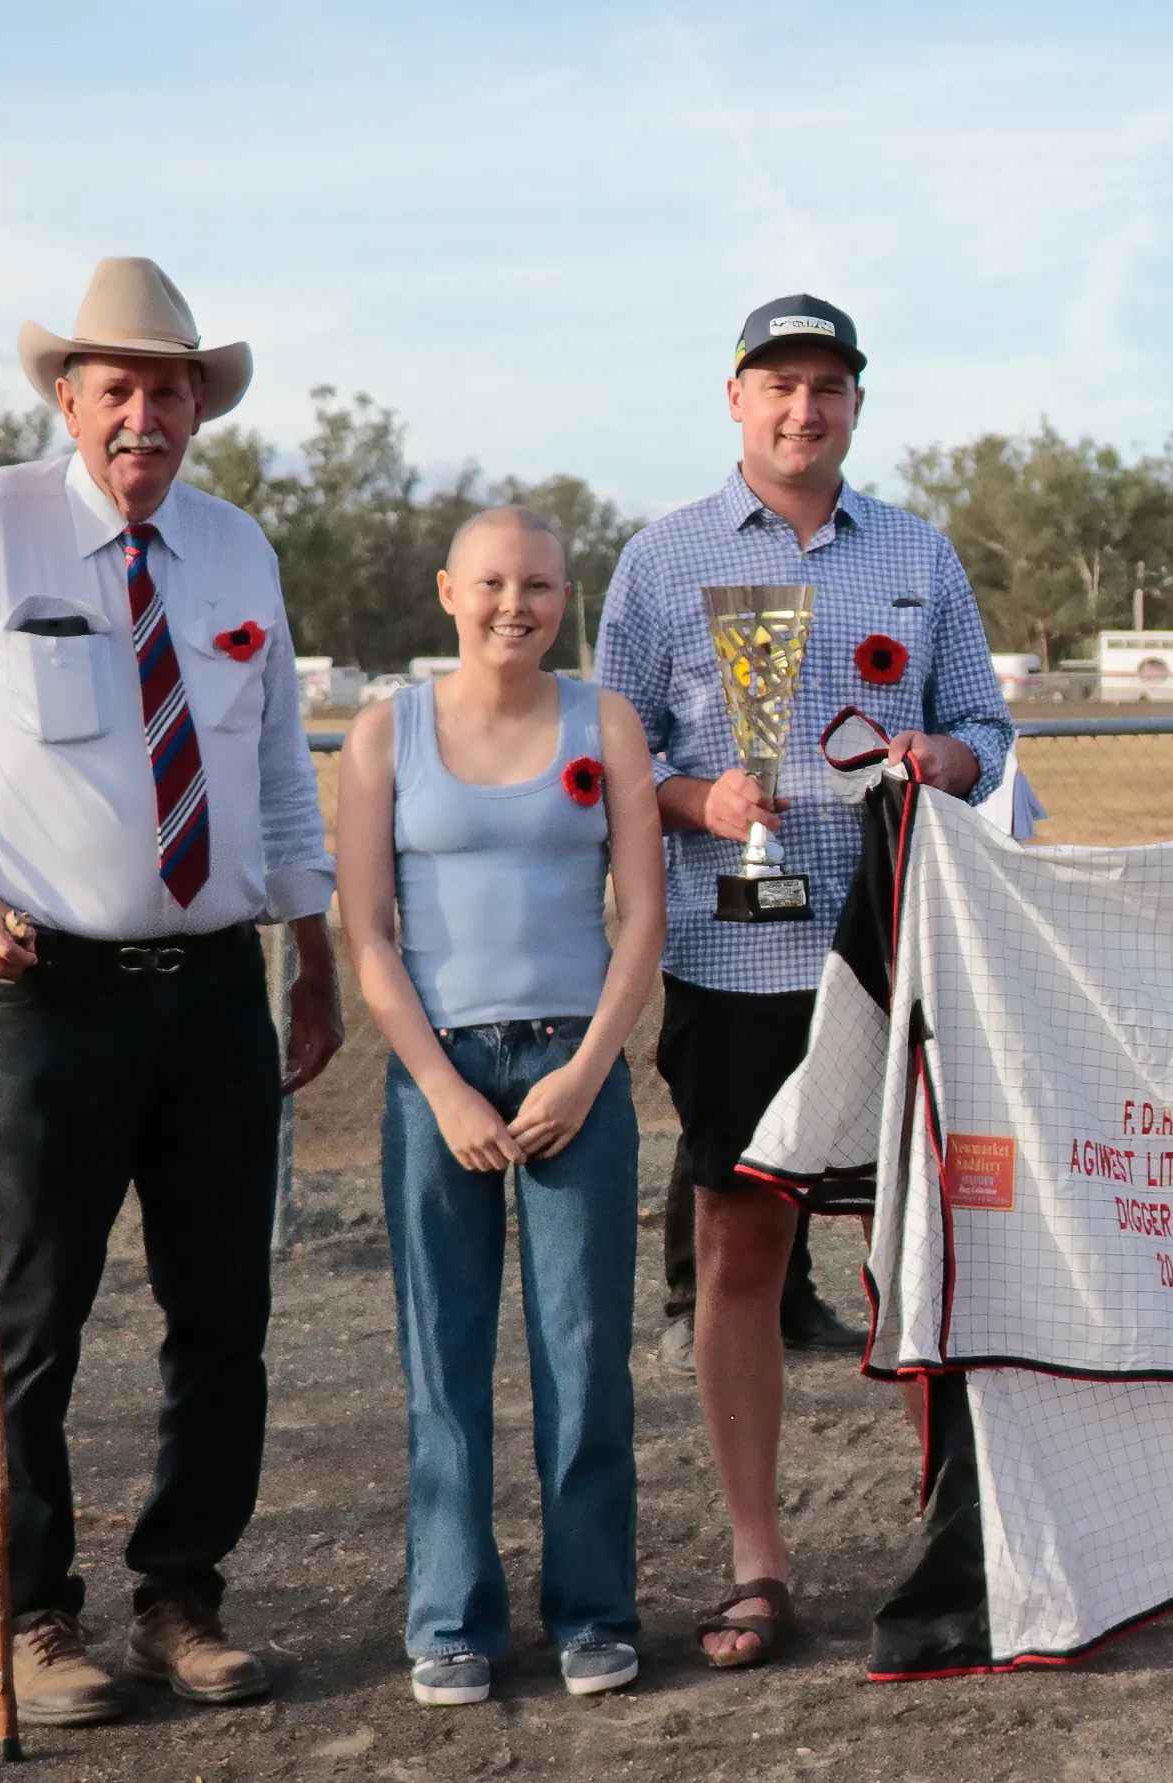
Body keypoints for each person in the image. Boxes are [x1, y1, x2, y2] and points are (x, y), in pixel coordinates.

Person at [0, 257, 340, 1727]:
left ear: (199, 405)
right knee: (35, 1316)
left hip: (212, 995)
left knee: (223, 1311)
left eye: (169, 386)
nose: (144, 412)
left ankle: (181, 1597)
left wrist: (310, 958)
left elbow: (269, 772)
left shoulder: (241, 550)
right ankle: (35, 1616)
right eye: (115, 386)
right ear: (67, 398)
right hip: (48, 989)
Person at [595, 293, 1014, 1667]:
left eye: (827, 384)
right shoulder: (661, 561)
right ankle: (755, 1559)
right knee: (739, 1245)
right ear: (734, 400)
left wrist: (943, 762)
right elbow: (616, 758)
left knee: (934, 1248)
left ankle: (953, 1547)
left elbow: (983, 725)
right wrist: (698, 801)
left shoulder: (914, 551)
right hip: (735, 957)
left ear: (852, 404)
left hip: (902, 948)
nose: (803, 407)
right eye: (778, 383)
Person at [336, 508, 664, 1706]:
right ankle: (451, 1620)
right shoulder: (386, 735)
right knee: (446, 1353)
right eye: (488, 583)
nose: (511, 604)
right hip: (442, 1078)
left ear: (565, 599)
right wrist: (439, 1086)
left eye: (535, 584)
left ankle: (591, 1610)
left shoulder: (604, 724)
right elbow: (367, 935)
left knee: (584, 1351)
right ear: (445, 592)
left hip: (574, 1068)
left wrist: (584, 1072)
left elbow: (644, 920)